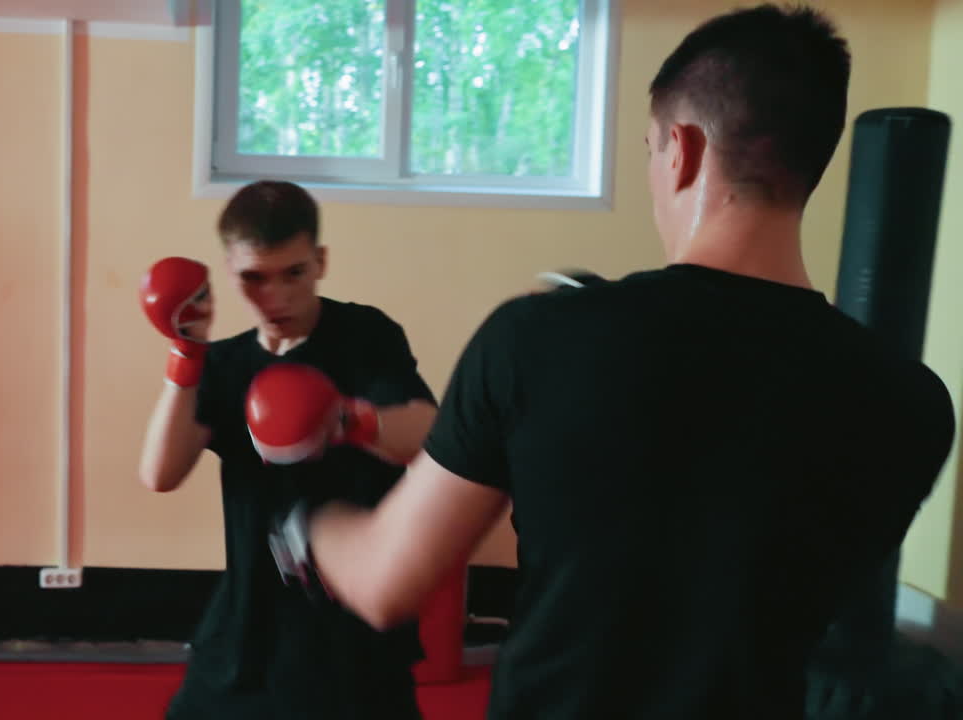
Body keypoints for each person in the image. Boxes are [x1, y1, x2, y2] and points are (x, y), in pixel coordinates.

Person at [265, 5, 957, 719]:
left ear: (682, 150)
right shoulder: (914, 405)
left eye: (652, 149)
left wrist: (301, 528)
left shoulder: (535, 339)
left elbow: (385, 579)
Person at [137, 180, 439, 719]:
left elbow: (427, 434)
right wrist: (185, 353)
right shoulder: (223, 365)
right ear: (228, 272)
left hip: (352, 622)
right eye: (254, 278)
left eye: (293, 273)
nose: (275, 296)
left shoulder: (365, 334)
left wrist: (348, 419)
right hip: (248, 626)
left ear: (320, 261)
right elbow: (159, 473)